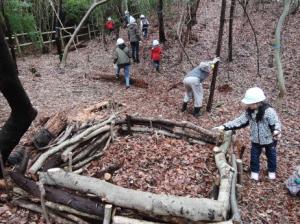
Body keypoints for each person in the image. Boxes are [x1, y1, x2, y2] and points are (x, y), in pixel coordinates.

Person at [213, 87, 282, 181]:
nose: (249, 105)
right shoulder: (249, 112)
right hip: (255, 140)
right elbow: (239, 121)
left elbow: (275, 122)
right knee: (254, 156)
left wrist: (276, 131)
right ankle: (254, 172)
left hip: (269, 139)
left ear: (257, 102)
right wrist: (224, 126)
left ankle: (272, 171)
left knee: (271, 155)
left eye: (250, 104)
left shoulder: (269, 111)